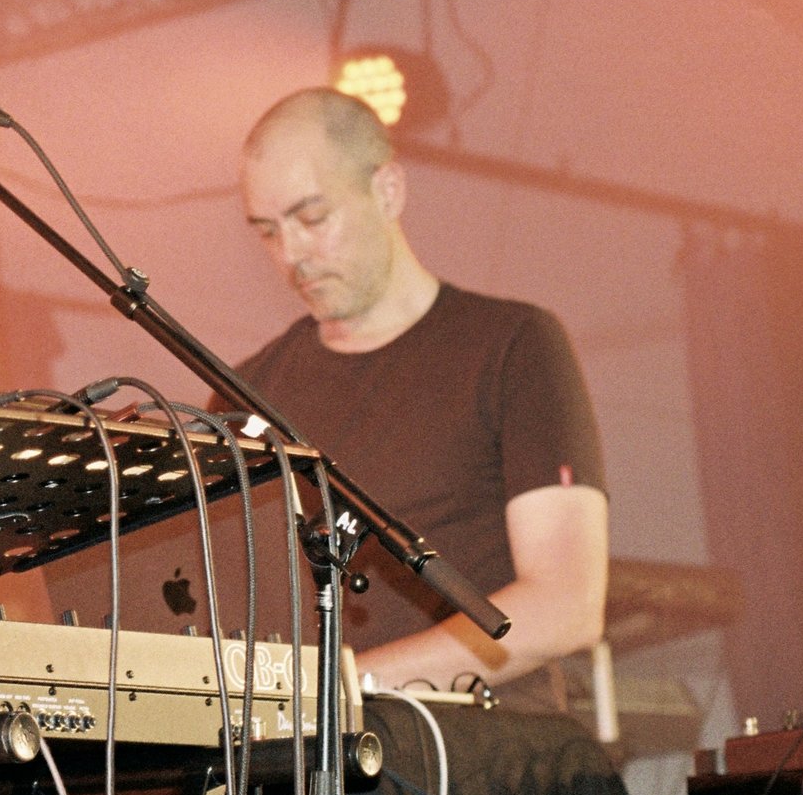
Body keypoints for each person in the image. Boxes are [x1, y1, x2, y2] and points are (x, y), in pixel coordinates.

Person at [233, 88, 607, 690]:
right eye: (267, 232)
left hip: (480, 753)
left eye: (312, 218)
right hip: (310, 767)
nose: (292, 253)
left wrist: (349, 691)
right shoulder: (246, 396)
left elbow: (566, 605)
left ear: (388, 191)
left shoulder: (512, 345)